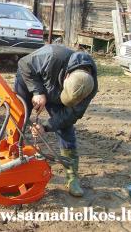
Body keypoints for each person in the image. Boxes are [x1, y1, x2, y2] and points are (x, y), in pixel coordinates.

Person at [15, 44, 98, 197]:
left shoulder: (89, 87)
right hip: (31, 80)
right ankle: (14, 158)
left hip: (55, 92)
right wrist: (37, 91)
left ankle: (72, 177)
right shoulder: (52, 55)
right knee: (19, 116)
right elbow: (24, 64)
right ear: (66, 76)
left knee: (66, 129)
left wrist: (45, 127)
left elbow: (69, 116)